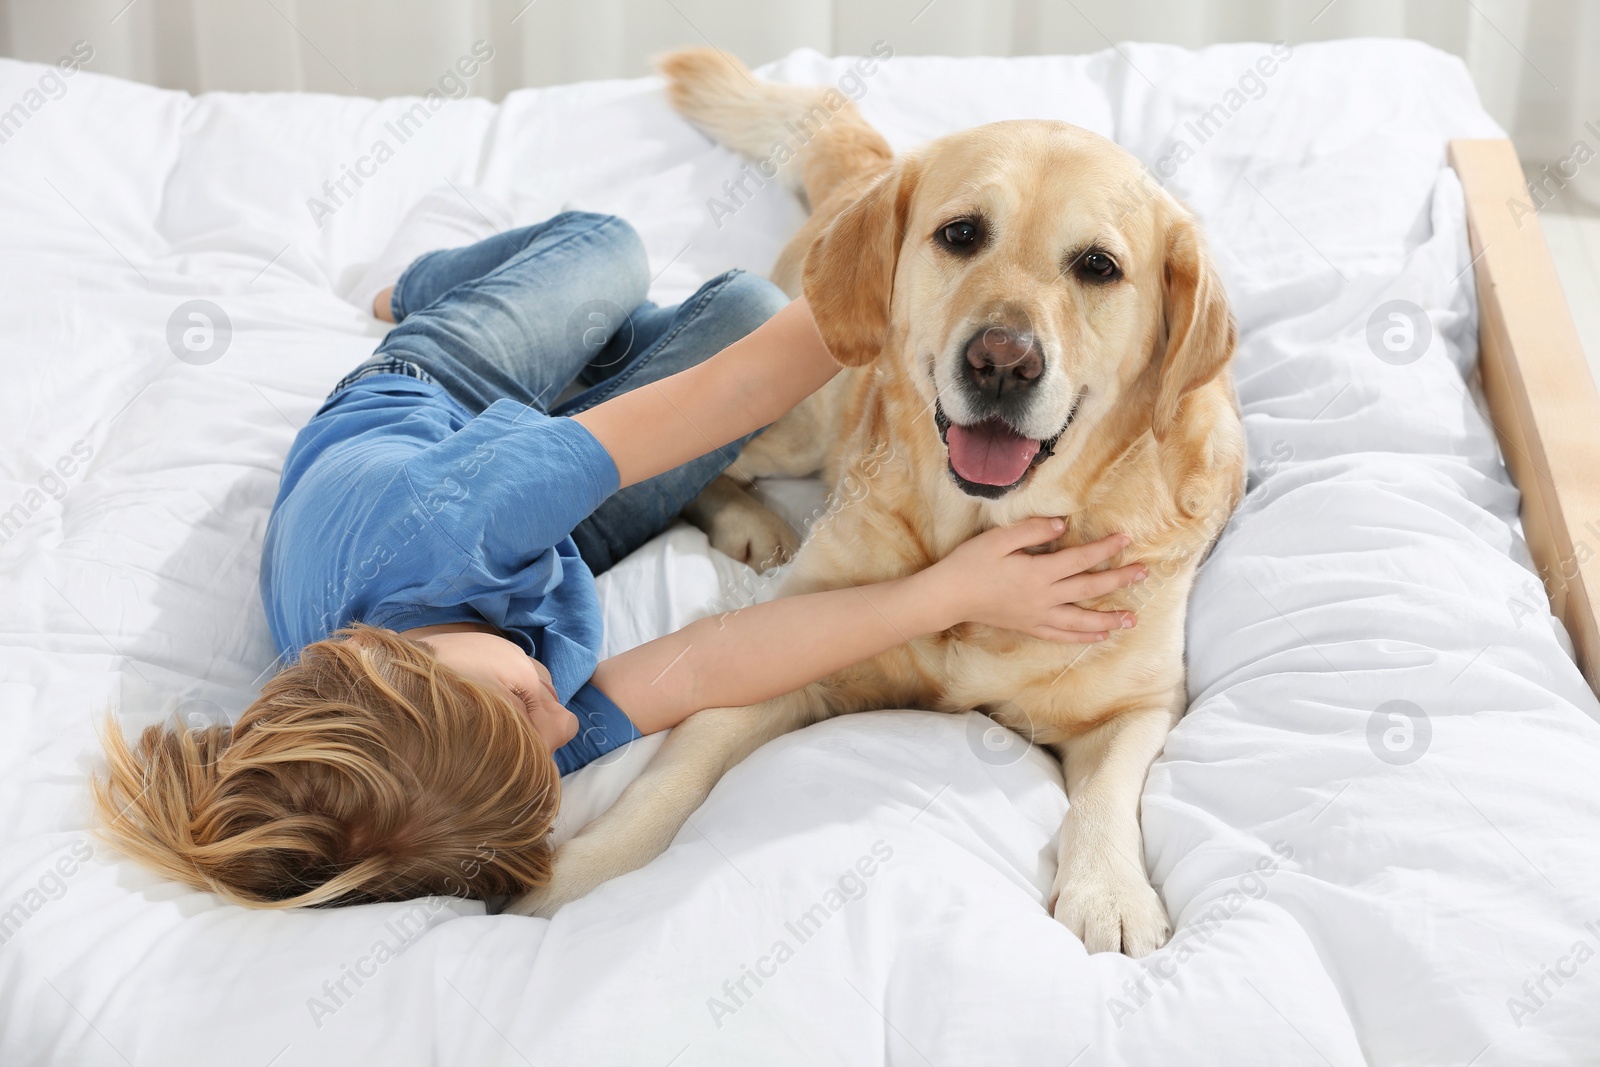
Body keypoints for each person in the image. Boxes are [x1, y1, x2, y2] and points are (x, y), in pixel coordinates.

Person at [94, 192, 1148, 909]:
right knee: (742, 306)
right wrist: (945, 591)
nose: (563, 711)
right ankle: (606, 355)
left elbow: (728, 392)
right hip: (546, 548)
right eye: (548, 740)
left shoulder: (455, 527)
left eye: (527, 708)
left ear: (386, 654)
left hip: (439, 395)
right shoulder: (487, 749)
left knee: (607, 251)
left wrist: (902, 258)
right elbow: (724, 659)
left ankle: (430, 281)